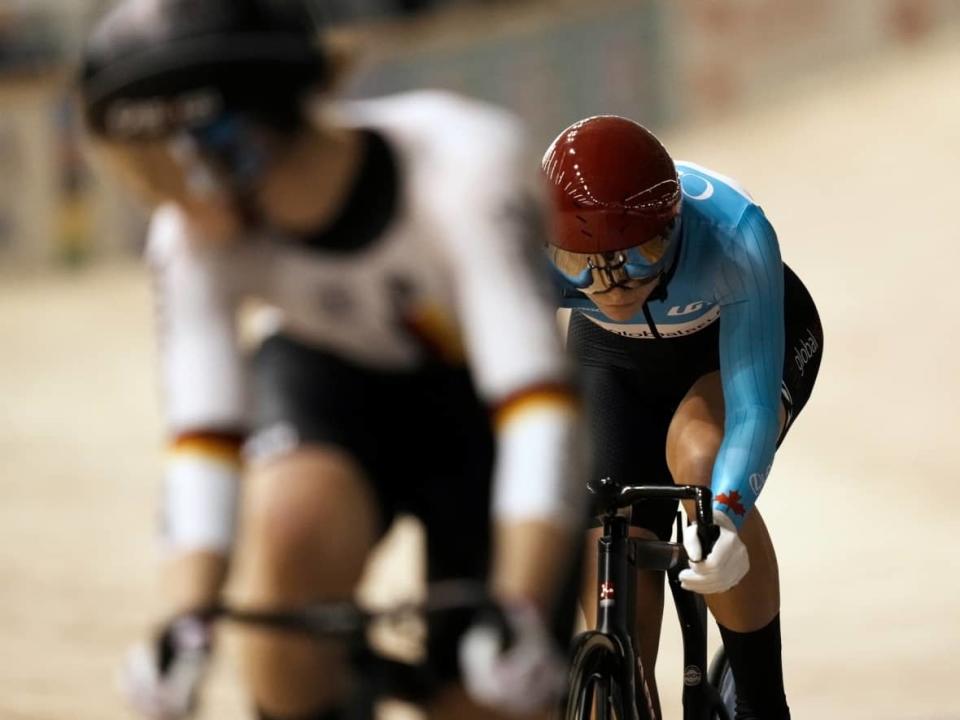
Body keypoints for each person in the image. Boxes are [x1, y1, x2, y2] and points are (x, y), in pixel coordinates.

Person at [78, 2, 586, 719]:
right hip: (335, 380)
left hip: (481, 402)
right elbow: (204, 434)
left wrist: (521, 603)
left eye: (153, 168)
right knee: (288, 537)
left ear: (222, 145)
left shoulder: (462, 164)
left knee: (490, 695)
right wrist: (187, 624)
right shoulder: (192, 239)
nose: (151, 197)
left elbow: (537, 401)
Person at [542, 115, 823, 720]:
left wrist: (725, 514)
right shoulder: (524, 245)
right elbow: (517, 392)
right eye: (580, 265)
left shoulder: (735, 233)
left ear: (674, 227)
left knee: (700, 458)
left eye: (641, 256)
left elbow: (749, 410)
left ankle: (759, 702)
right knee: (604, 511)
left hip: (729, 345)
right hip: (613, 359)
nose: (613, 288)